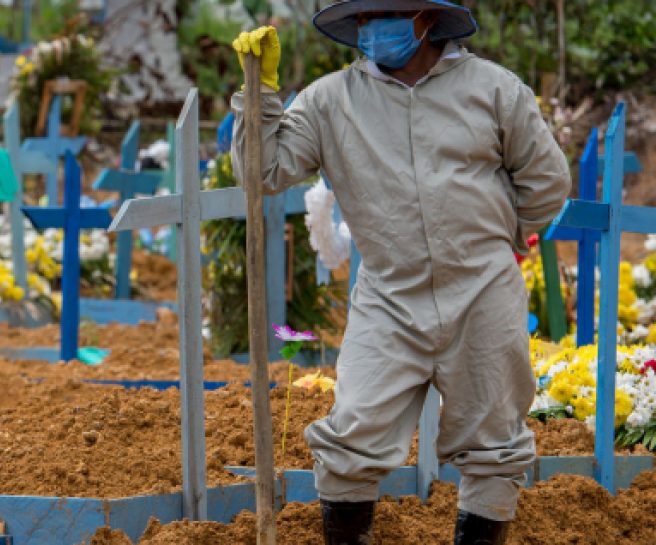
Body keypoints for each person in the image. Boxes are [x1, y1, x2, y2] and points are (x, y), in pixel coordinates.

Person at [229, 1, 571, 543]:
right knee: (350, 436)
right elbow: (264, 171)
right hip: (388, 293)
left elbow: (546, 180)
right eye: (364, 17)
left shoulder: (495, 89)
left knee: (494, 443)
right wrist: (259, 94)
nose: (373, 27)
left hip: (483, 289)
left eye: (388, 13)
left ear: (427, 19)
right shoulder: (329, 100)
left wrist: (503, 238)